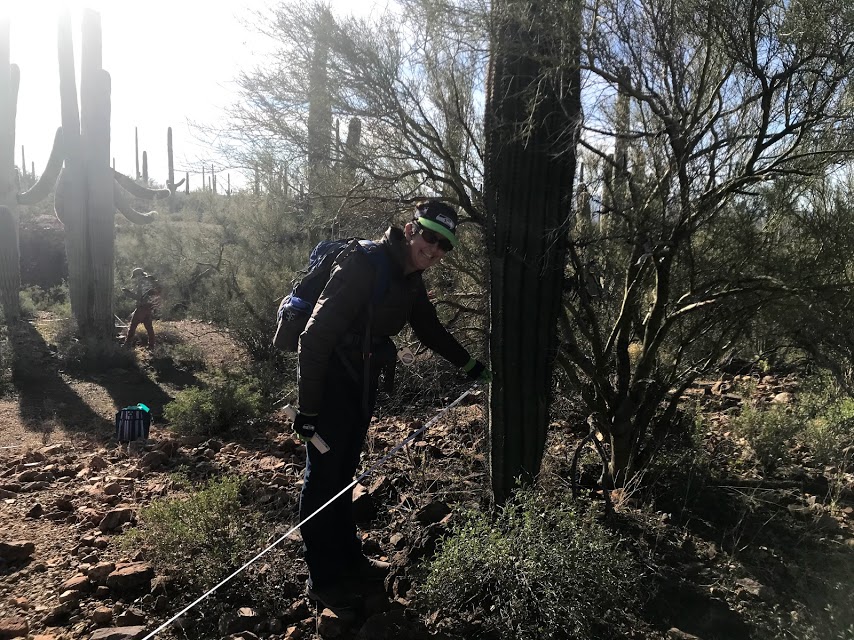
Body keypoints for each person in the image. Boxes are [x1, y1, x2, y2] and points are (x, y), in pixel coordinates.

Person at [293, 201, 491, 620]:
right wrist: (308, 411)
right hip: (329, 389)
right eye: (430, 237)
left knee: (342, 473)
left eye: (445, 245)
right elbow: (313, 339)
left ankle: (349, 560)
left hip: (359, 387)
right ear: (410, 229)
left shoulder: (410, 278)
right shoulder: (365, 266)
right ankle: (324, 580)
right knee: (321, 478)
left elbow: (430, 329)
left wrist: (469, 365)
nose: (435, 249)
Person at [122, 268, 161, 349]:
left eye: (135, 277)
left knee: (133, 326)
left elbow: (139, 297)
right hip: (149, 307)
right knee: (149, 328)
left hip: (141, 308)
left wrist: (128, 294)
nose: (135, 279)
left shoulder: (141, 282)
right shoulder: (149, 281)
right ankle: (151, 345)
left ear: (138, 275)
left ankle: (127, 344)